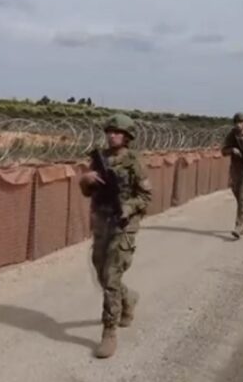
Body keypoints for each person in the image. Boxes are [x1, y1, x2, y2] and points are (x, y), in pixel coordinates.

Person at [79, 113, 152, 359]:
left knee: (111, 275)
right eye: (110, 131)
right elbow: (88, 192)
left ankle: (109, 331)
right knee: (100, 271)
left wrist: (127, 208)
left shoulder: (134, 161)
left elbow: (146, 196)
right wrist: (85, 180)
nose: (112, 135)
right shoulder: (99, 159)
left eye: (117, 132)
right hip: (102, 220)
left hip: (124, 224)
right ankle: (128, 298)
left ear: (127, 136)